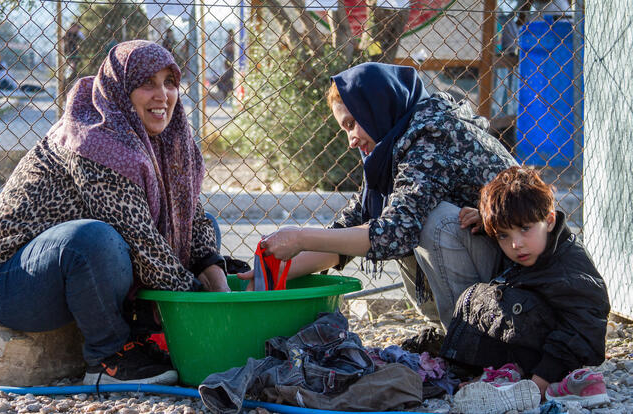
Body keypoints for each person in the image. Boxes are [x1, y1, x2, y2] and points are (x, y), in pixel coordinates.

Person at [0, 40, 230, 386]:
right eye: (147, 84)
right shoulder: (94, 139)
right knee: (93, 239)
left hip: (70, 279)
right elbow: (139, 239)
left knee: (198, 229)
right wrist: (202, 307)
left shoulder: (167, 138)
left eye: (169, 83)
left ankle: (144, 334)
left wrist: (212, 270)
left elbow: (194, 215)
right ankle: (108, 360)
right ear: (121, 90)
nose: (163, 95)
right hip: (9, 288)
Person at [239, 62, 517, 329]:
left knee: (432, 222)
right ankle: (447, 334)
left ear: (374, 107)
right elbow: (350, 231)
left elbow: (394, 233)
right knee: (393, 219)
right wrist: (271, 273)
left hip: (516, 276)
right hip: (489, 263)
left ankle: (472, 337)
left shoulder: (433, 131)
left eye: (351, 124)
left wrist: (300, 237)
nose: (351, 141)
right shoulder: (395, 145)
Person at [442, 167, 610, 411]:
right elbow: (515, 232)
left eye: (524, 229)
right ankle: (501, 373)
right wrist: (490, 221)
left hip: (555, 359)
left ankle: (531, 379)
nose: (515, 244)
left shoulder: (569, 269)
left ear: (550, 221)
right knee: (480, 297)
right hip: (534, 345)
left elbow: (583, 327)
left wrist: (538, 385)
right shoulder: (533, 245)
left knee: (508, 302)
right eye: (503, 235)